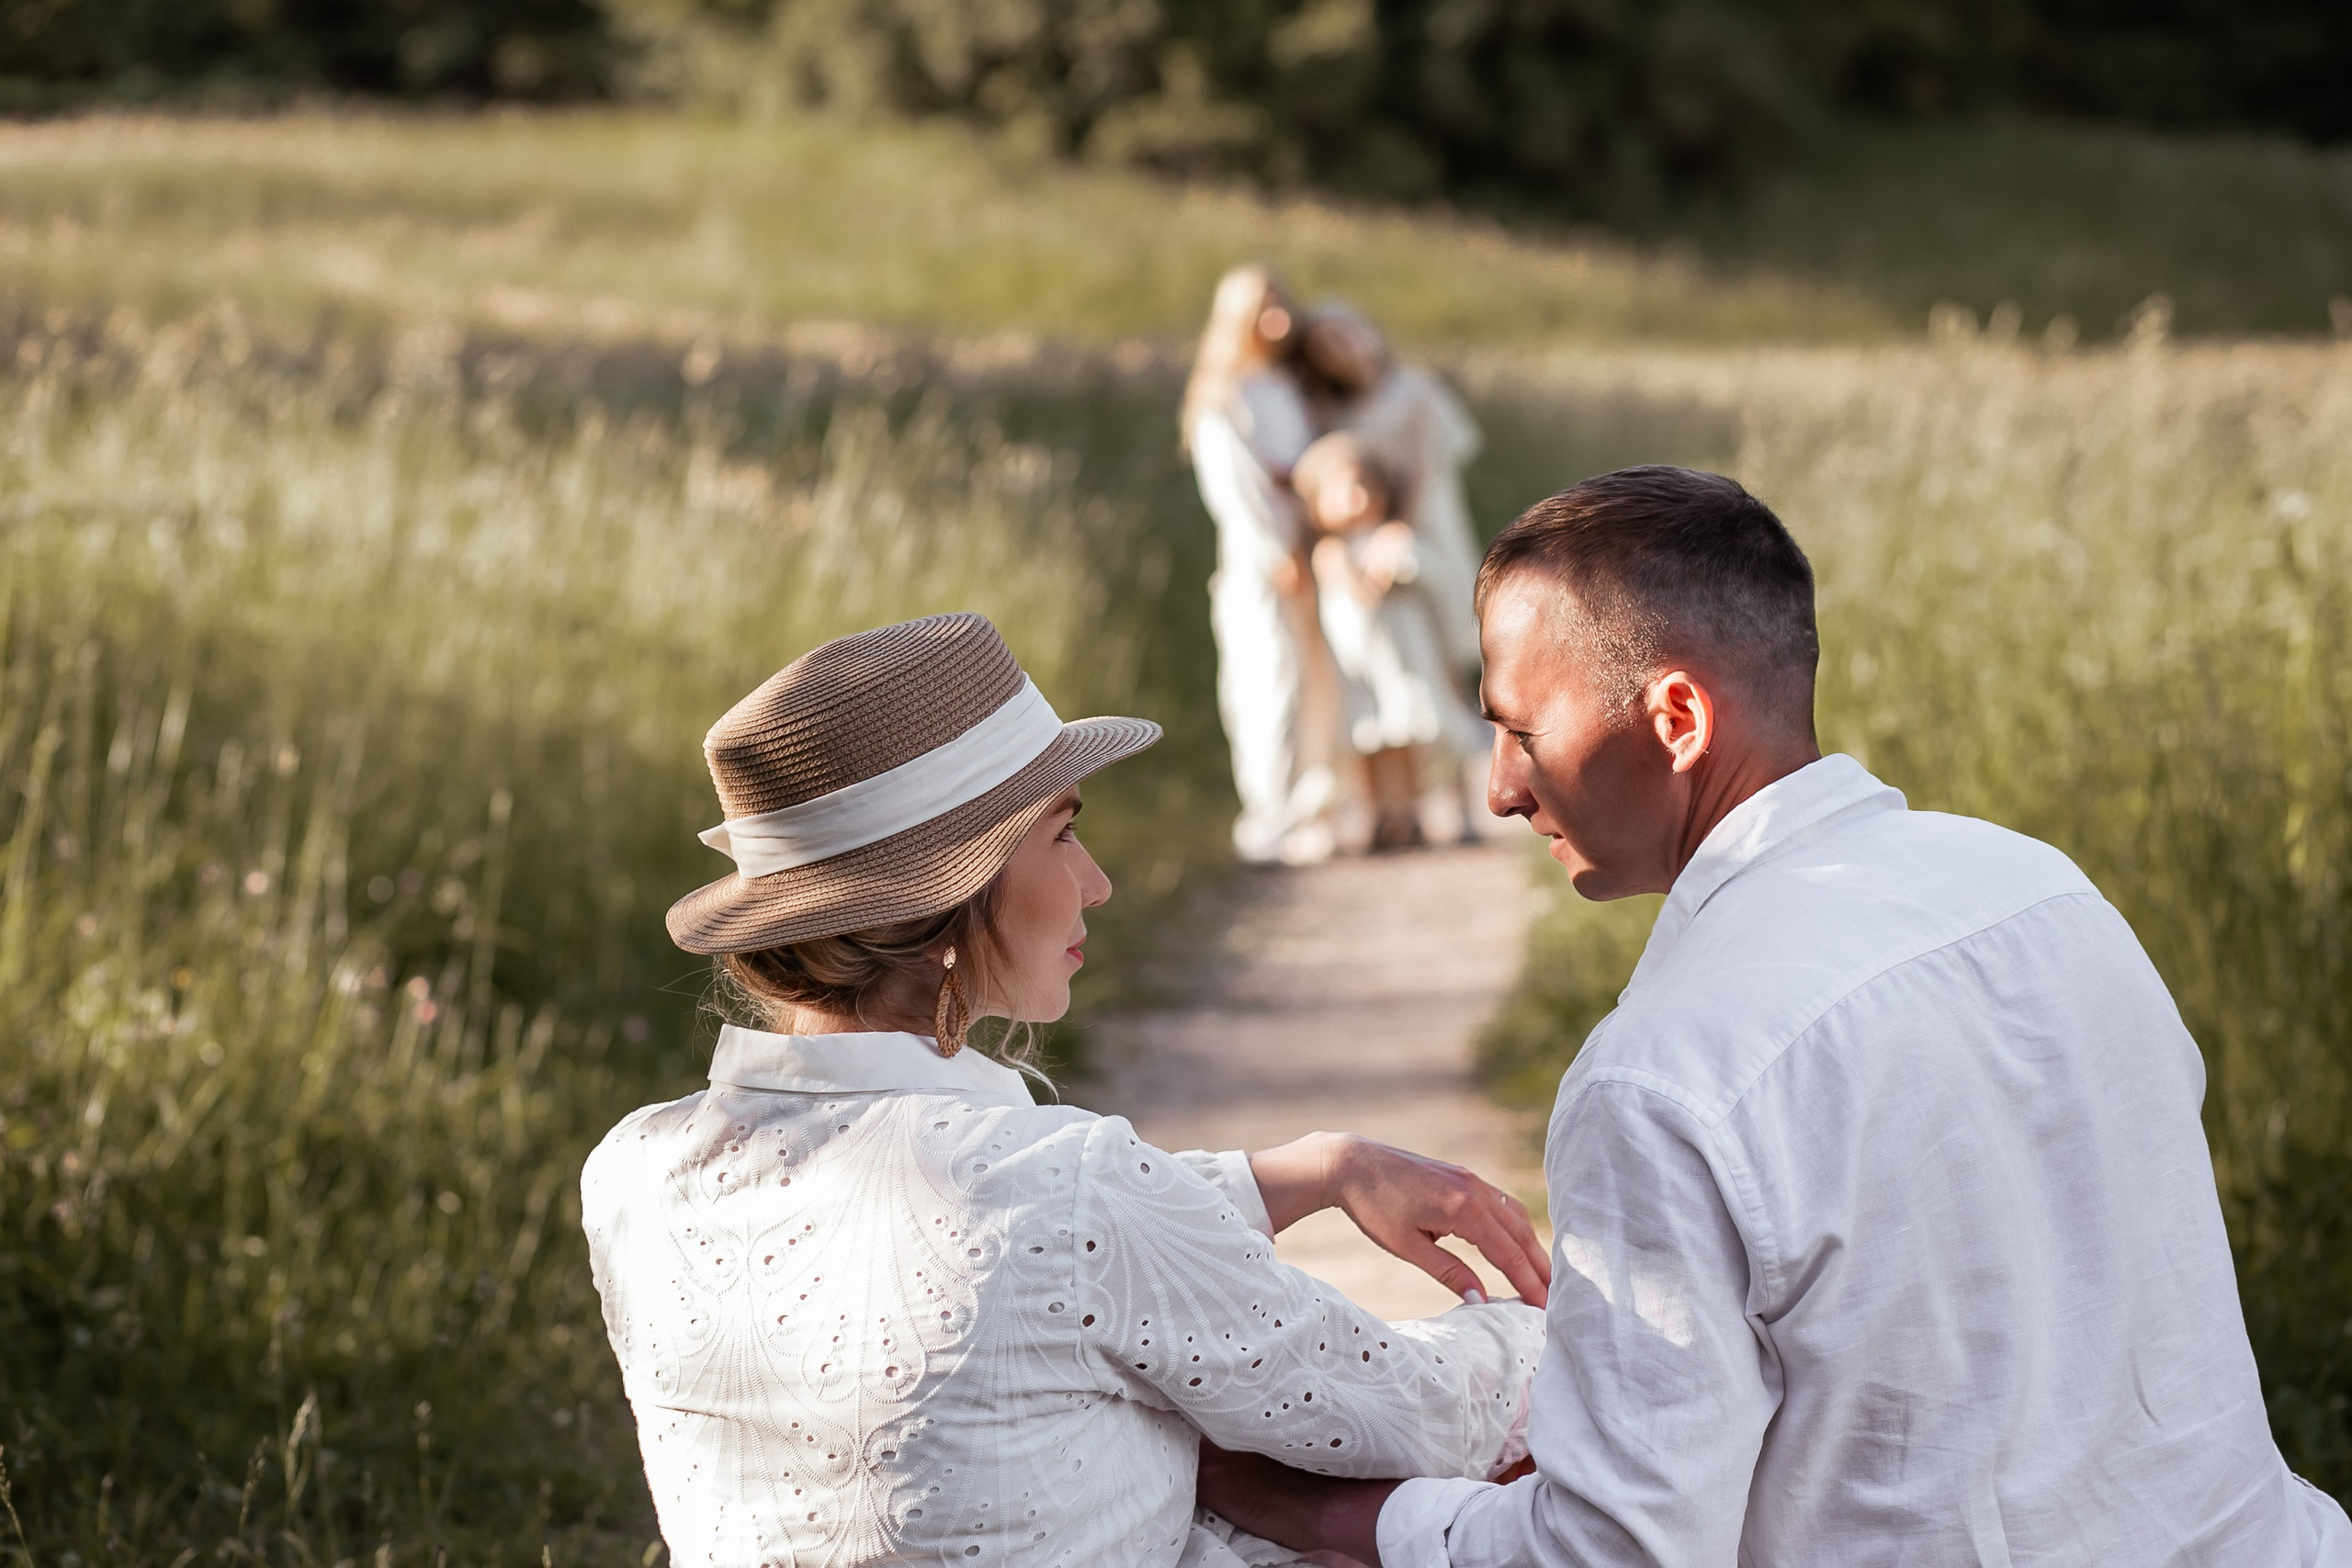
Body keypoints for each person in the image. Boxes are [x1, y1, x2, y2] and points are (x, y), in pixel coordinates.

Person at [1196, 467, 2352, 1566]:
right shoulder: (2043, 888)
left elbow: (1616, 1551)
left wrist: (1326, 1510)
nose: (1499, 788)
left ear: (1680, 717)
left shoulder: (1659, 1075)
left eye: (1521, 731)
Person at [581, 612, 1552, 1568]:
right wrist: (1570, 1322)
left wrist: (1306, 1173)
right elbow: (1416, 1414)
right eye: (1061, 835)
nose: (1095, 884)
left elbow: (978, 1255)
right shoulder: (1063, 1193)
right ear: (955, 891)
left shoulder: (631, 1172)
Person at [1184, 265, 1348, 865]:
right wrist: (1275, 554)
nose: (1277, 321)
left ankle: (1312, 804)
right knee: (1268, 681)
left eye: (1282, 307)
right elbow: (1234, 491)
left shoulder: (1289, 389)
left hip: (1309, 551)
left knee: (1316, 680)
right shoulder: (1224, 397)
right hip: (1264, 561)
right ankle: (1266, 813)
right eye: (1263, 311)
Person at [1291, 432, 1488, 850]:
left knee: (1424, 734)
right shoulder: (1329, 551)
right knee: (1373, 744)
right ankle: (1386, 815)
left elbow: (1426, 575)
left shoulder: (1393, 539)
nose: (1355, 498)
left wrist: (1396, 561)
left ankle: (1441, 810)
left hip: (1408, 659)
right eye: (1340, 489)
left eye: (1364, 486)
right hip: (1361, 669)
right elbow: (1335, 588)